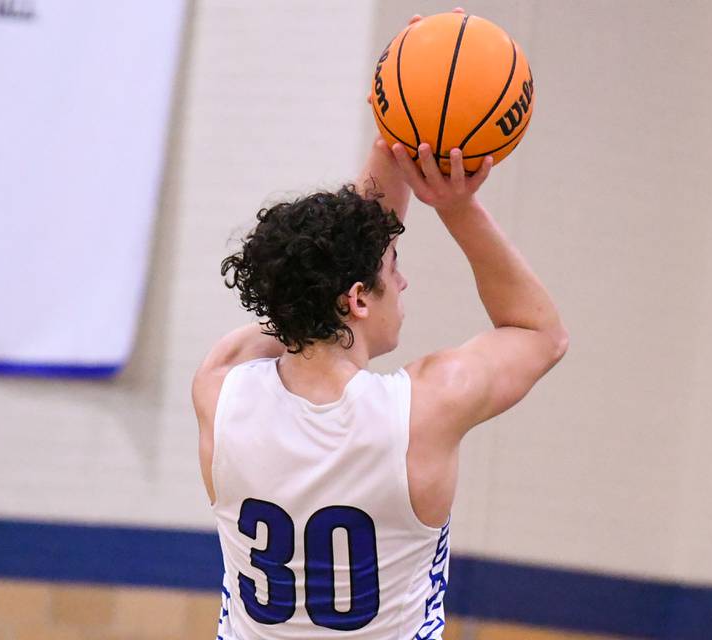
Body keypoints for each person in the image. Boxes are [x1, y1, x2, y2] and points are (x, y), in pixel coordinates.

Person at [192, 15, 569, 640]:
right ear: (358, 299)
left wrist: (391, 142)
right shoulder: (422, 409)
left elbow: (318, 280)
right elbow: (540, 334)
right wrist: (456, 204)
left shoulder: (220, 387)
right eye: (393, 267)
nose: (404, 282)